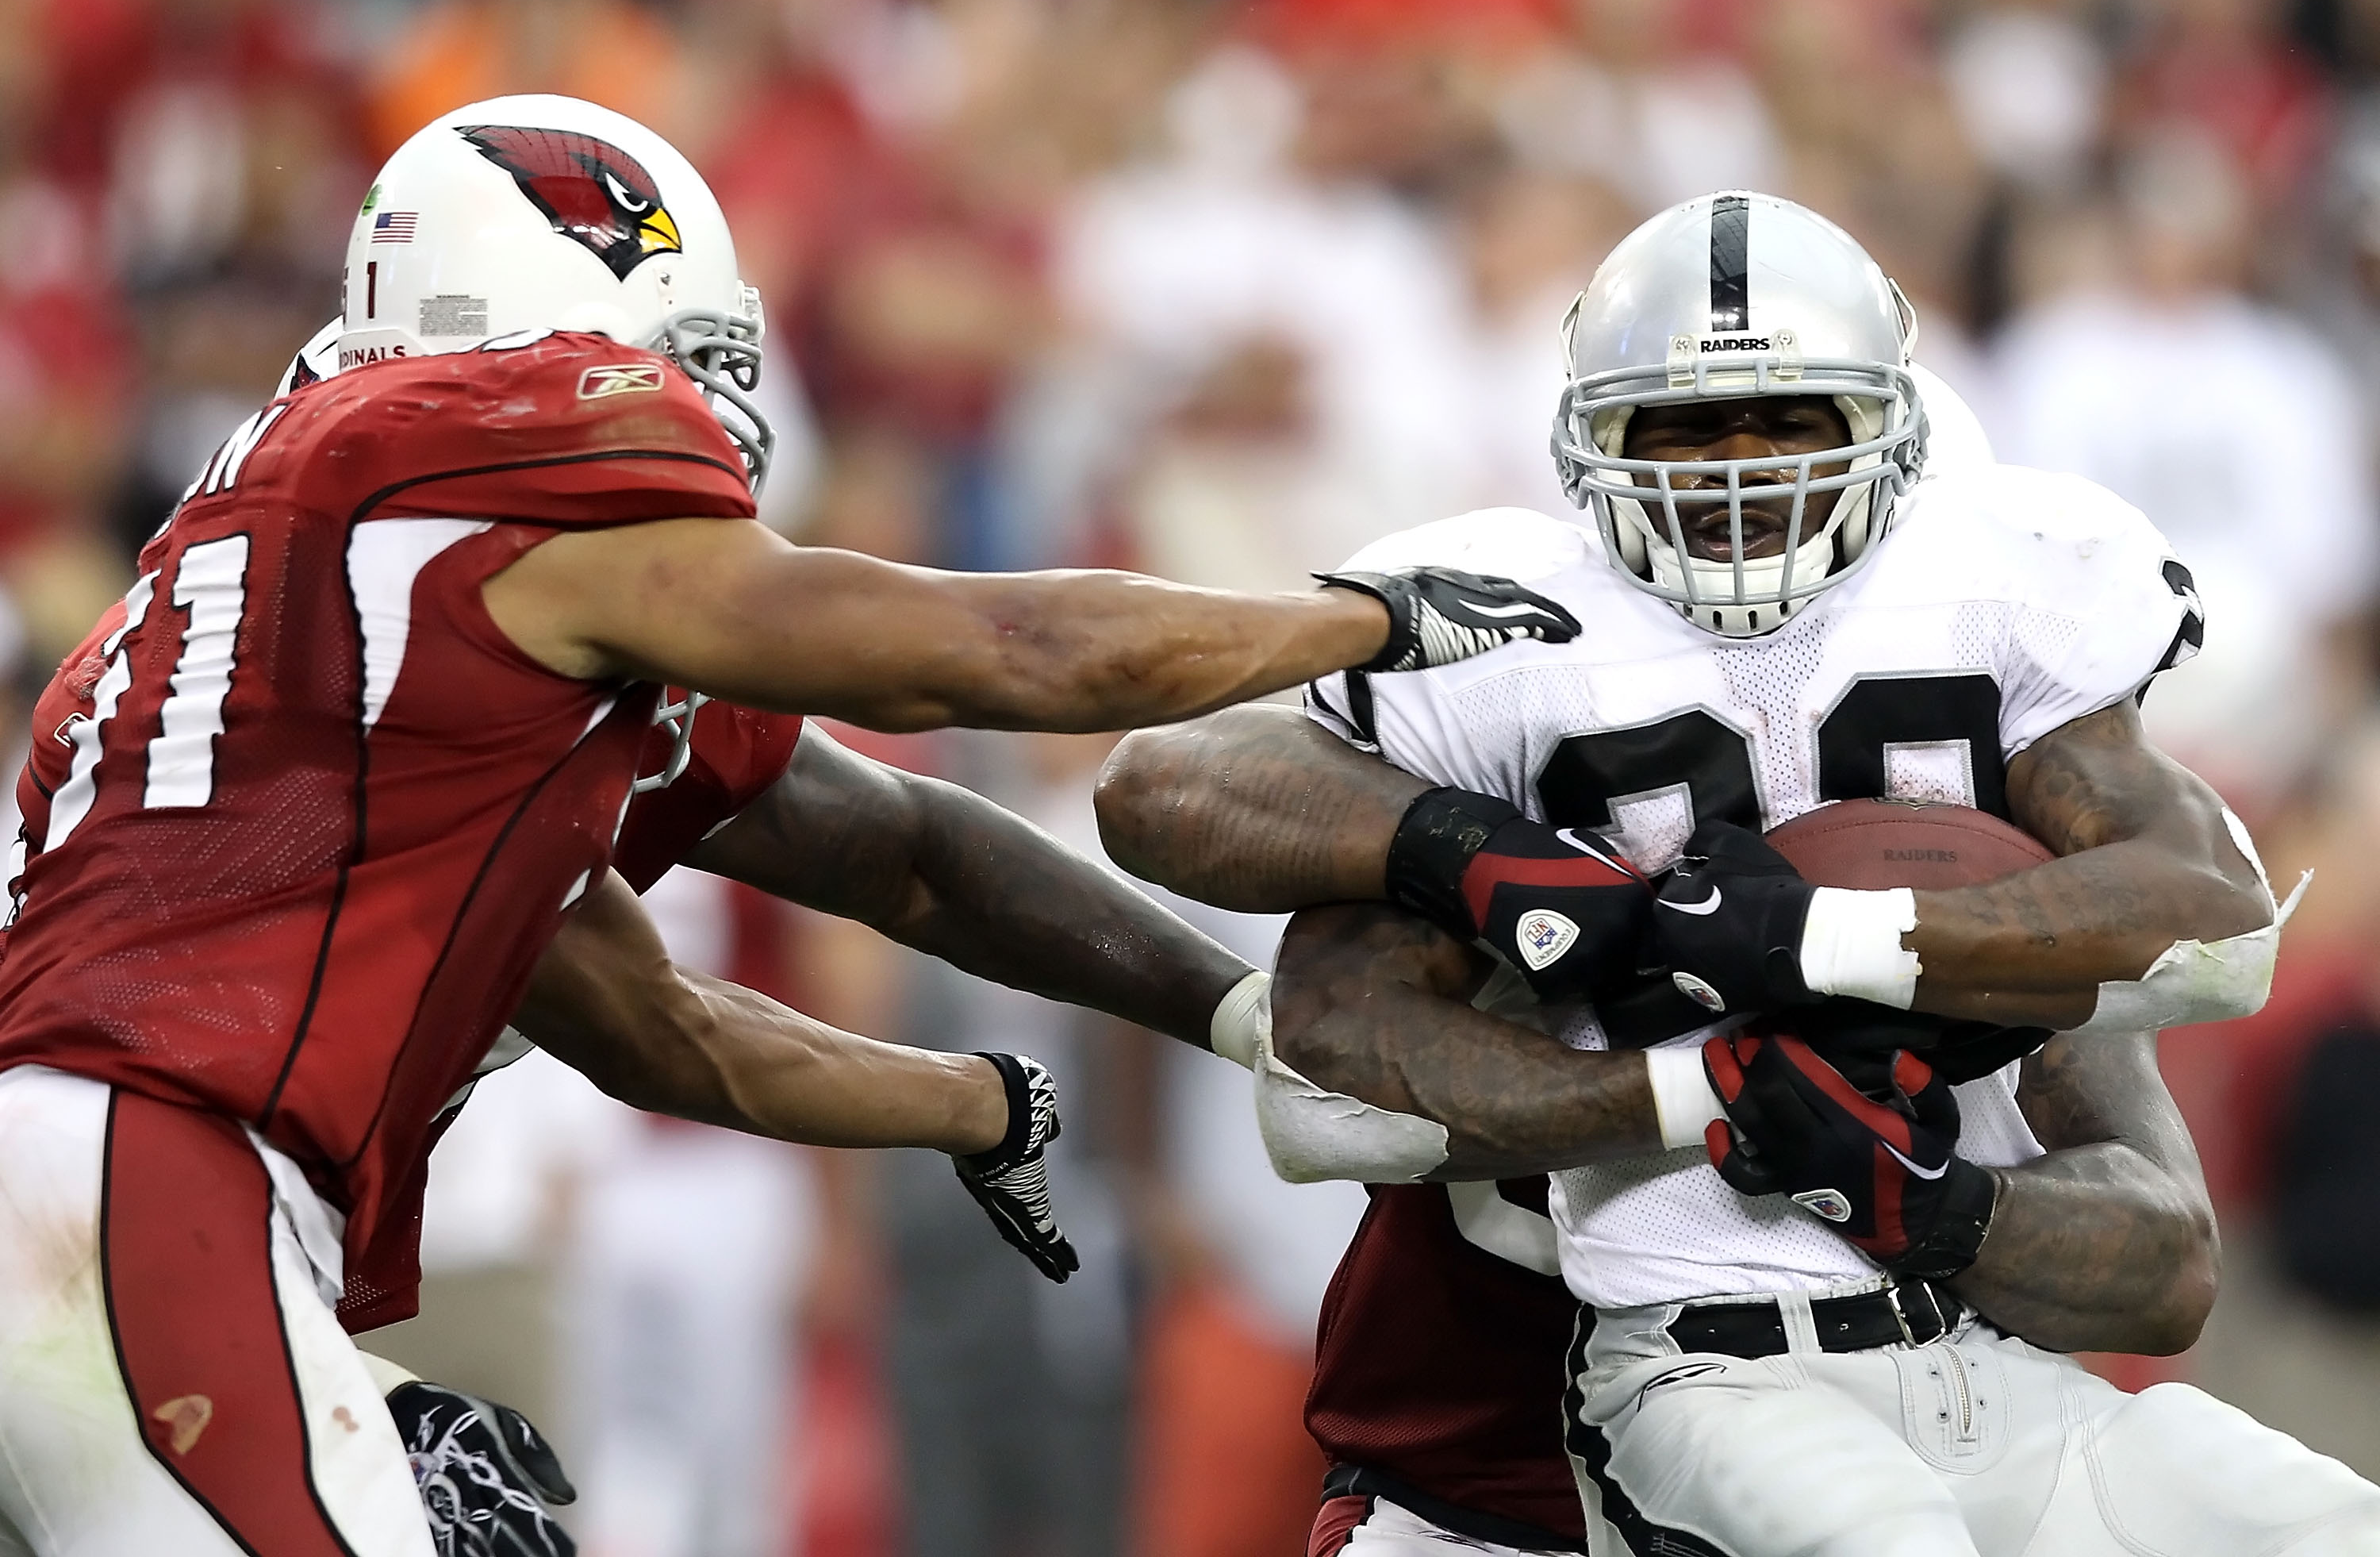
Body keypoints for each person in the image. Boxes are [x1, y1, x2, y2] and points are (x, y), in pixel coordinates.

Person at [0, 90, 1580, 1557]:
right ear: (571, 319)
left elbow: (812, 906)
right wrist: (1352, 615)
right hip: (137, 1180)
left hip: (92, 1187)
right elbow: (1011, 654)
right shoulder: (491, 452)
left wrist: (1152, 1046)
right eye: (681, 347)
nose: (708, 400)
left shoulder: (392, 623)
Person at [1095, 192, 2380, 1555]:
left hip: (1957, 1370)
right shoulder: (1522, 652)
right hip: (1506, 1442)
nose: (1744, 481)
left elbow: (2193, 1103)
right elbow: (1303, 1045)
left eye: (1796, 432)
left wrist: (1869, 1042)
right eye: (1692, 429)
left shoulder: (2013, 759)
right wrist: (1488, 865)